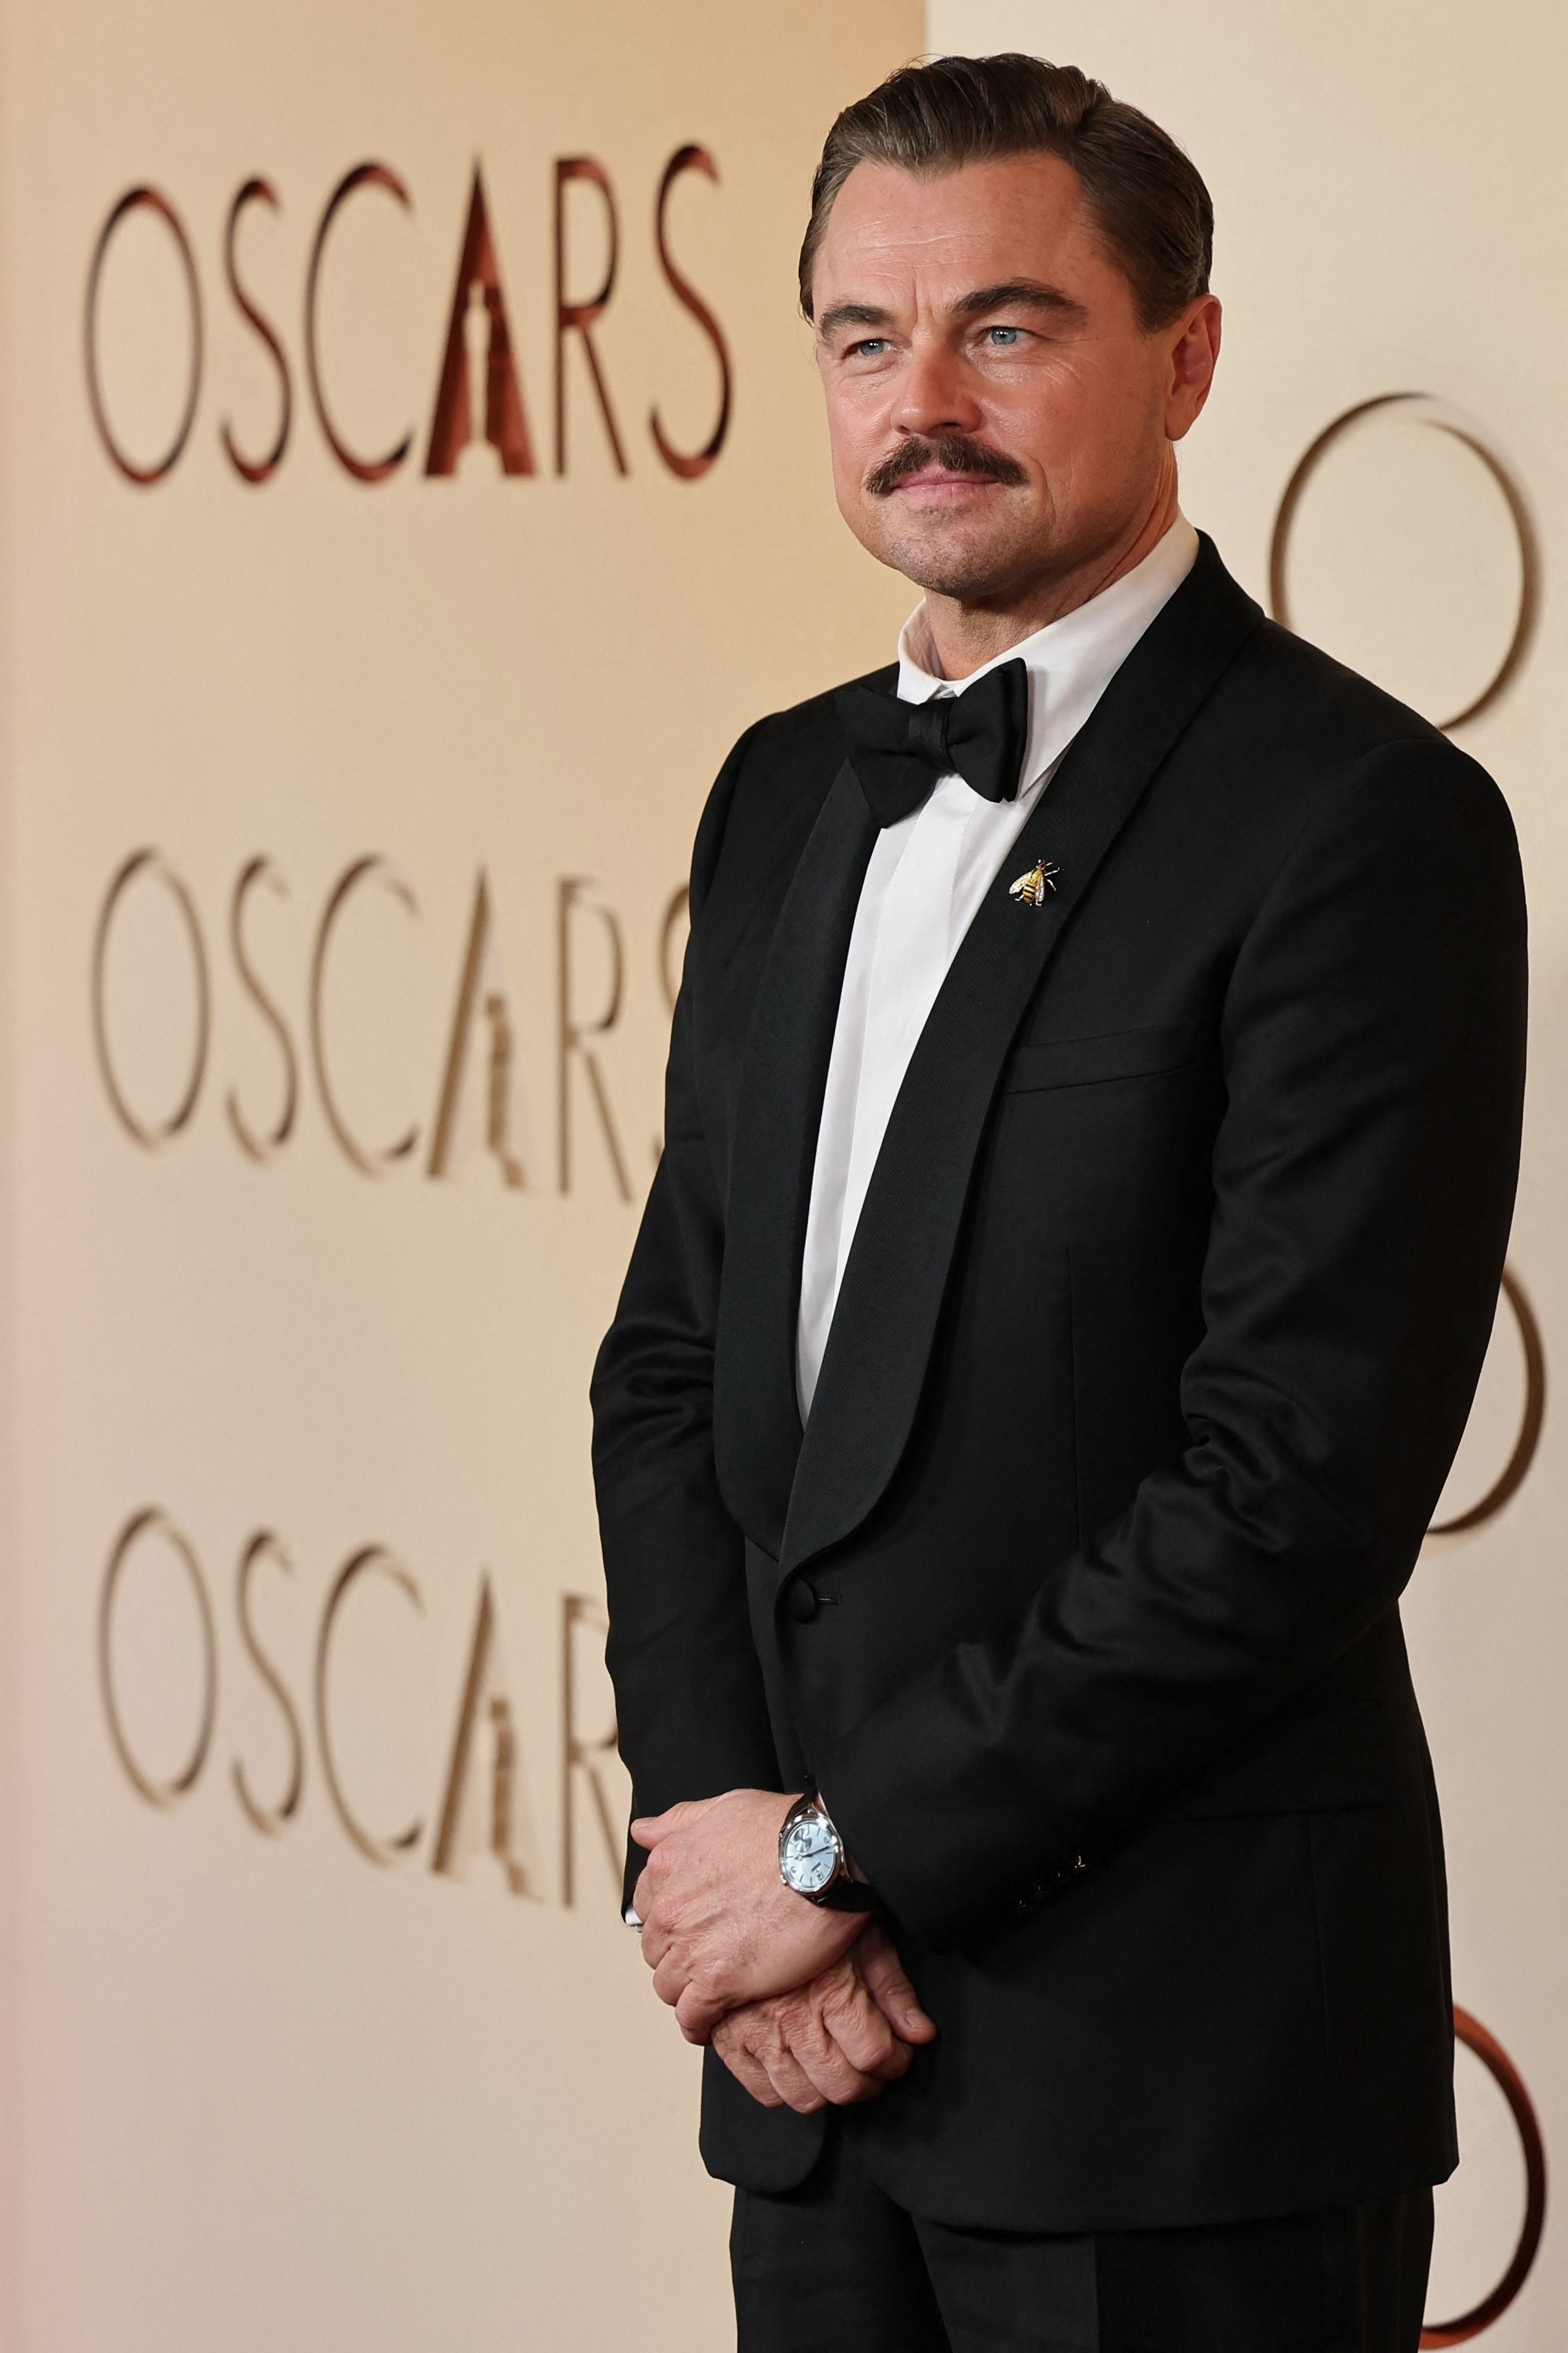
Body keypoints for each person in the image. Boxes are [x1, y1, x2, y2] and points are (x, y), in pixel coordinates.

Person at [591, 51, 1526, 2353]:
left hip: (1171, 2088)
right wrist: (723, 1831)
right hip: (813, 2076)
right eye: (861, 338)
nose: (925, 400)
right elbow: (676, 1369)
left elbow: (1284, 1495)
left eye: (1006, 327)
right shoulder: (782, 789)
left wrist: (838, 1862)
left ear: (1183, 353)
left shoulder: (1354, 828)